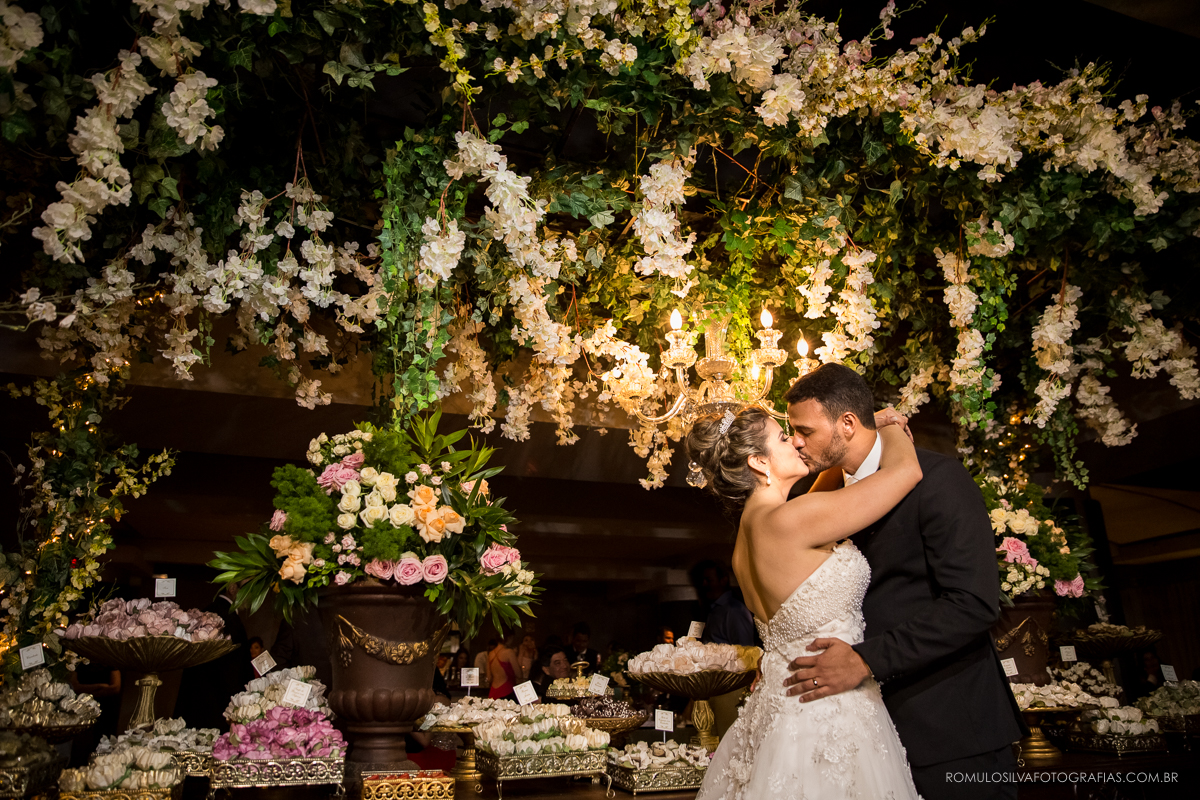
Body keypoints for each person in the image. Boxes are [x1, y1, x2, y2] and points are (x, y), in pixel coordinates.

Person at [782, 363, 1025, 800]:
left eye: (805, 430)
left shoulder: (939, 480)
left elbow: (973, 603)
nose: (796, 441)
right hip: (859, 735)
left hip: (951, 728)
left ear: (848, 424)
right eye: (790, 431)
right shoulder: (815, 497)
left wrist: (866, 660)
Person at [685, 399, 924, 799]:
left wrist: (862, 428)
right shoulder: (792, 521)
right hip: (829, 711)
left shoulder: (749, 538)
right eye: (783, 438)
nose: (796, 442)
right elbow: (906, 471)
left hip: (780, 710)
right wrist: (886, 426)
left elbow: (817, 499)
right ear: (759, 462)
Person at [177, 582, 253, 730]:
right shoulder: (226, 617)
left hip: (197, 700)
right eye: (249, 588)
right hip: (216, 706)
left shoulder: (209, 612)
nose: (253, 595)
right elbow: (231, 671)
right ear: (232, 588)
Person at [690, 559, 756, 646]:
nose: (704, 584)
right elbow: (695, 638)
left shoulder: (735, 611)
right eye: (702, 580)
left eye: (709, 580)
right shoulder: (708, 608)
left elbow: (745, 648)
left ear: (723, 580)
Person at [485, 635, 522, 699]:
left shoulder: (491, 654)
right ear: (509, 638)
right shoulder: (509, 652)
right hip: (507, 690)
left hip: (493, 691)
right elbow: (519, 674)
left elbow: (489, 678)